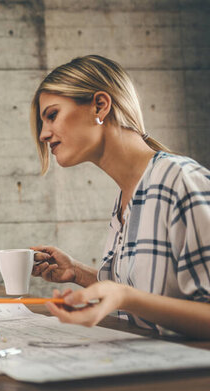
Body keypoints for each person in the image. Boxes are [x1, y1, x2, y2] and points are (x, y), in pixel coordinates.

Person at [29, 55, 210, 339]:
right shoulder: (127, 196)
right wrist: (76, 272)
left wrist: (124, 297)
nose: (43, 134)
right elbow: (140, 292)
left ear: (100, 105)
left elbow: (130, 297)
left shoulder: (180, 181)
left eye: (52, 115)